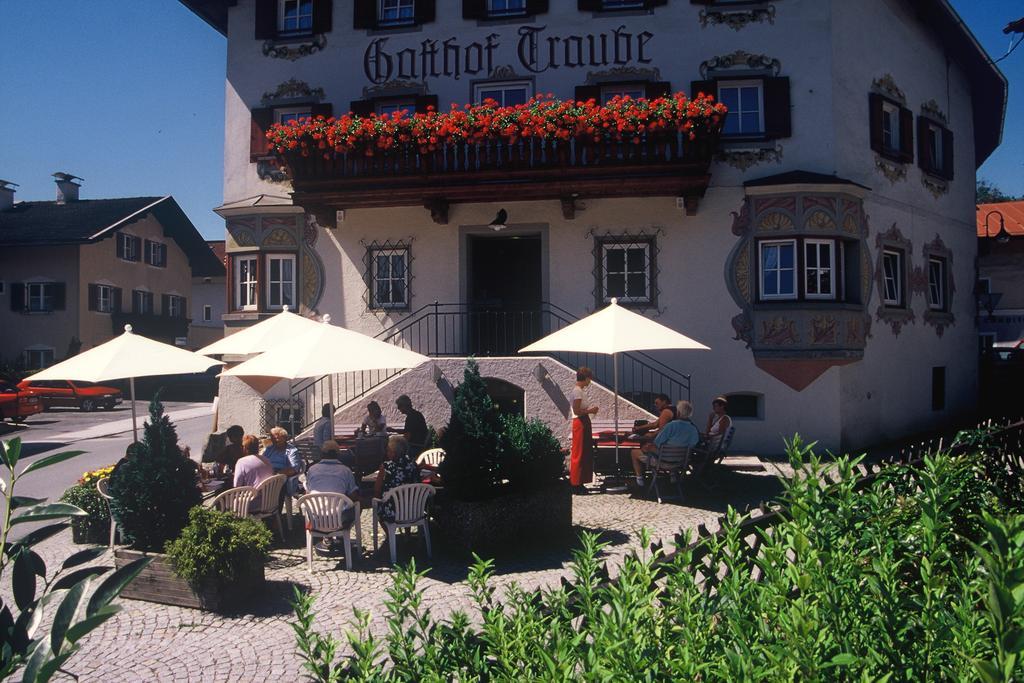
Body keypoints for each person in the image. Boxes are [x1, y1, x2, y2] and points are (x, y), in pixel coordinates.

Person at [632, 400, 700, 487]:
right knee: (668, 449)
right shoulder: (693, 429)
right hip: (680, 462)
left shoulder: (671, 426)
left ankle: (640, 481)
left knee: (634, 452)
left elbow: (657, 442)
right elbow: (693, 444)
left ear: (678, 412)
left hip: (662, 461)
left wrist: (647, 447)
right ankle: (673, 476)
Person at [306, 440, 360, 527]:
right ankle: (341, 537)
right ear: (338, 455)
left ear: (322, 454)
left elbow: (308, 493)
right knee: (355, 504)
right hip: (339, 518)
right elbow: (353, 495)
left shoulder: (312, 469)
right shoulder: (345, 470)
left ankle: (325, 536)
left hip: (316, 517)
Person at [373, 435, 420, 523]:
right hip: (414, 508)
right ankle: (407, 535)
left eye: (388, 450)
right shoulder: (413, 465)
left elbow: (377, 489)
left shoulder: (386, 467)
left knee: (379, 507)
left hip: (393, 510)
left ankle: (389, 535)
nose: (386, 453)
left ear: (394, 452)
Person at [629, 394, 677, 474]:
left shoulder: (666, 412)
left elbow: (662, 431)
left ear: (664, 402)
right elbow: (655, 424)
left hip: (665, 453)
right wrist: (639, 428)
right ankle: (672, 475)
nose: (655, 405)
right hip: (675, 454)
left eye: (657, 403)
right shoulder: (674, 410)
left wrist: (651, 434)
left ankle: (640, 477)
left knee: (642, 448)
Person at [570, 367, 598, 495]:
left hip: (583, 422)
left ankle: (580, 482)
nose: (590, 381)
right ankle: (576, 484)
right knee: (579, 453)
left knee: (584, 452)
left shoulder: (579, 391)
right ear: (585, 378)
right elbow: (576, 411)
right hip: (580, 422)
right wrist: (591, 411)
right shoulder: (577, 392)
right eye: (589, 379)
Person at [264, 426, 304, 496]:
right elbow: (262, 461)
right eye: (273, 440)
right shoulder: (270, 449)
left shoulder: (292, 451)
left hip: (283, 477)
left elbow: (294, 469)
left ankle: (276, 505)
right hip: (268, 475)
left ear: (285, 438)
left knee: (276, 487)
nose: (275, 442)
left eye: (277, 440)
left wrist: (276, 475)